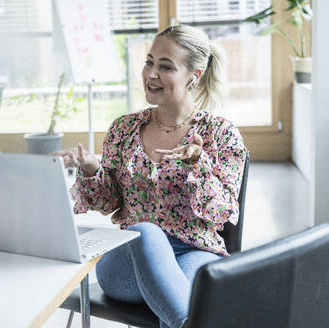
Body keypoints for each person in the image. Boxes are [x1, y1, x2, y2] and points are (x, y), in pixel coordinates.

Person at [52, 25, 247, 328]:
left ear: (193, 77)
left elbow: (222, 213)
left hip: (195, 251)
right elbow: (109, 203)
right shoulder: (123, 128)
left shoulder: (221, 134)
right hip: (126, 261)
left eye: (166, 66)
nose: (151, 74)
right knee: (146, 233)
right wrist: (91, 168)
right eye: (149, 62)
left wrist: (199, 167)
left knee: (179, 293)